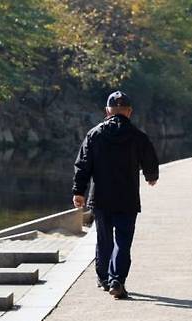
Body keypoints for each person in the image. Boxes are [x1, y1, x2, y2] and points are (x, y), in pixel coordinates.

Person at [72, 91, 159, 300]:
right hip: (127, 198)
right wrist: (151, 176)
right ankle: (117, 279)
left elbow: (83, 164)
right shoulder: (138, 135)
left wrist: (78, 191)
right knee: (123, 240)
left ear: (107, 111)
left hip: (101, 197)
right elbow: (150, 158)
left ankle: (103, 278)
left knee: (103, 239)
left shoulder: (94, 134)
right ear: (129, 111)